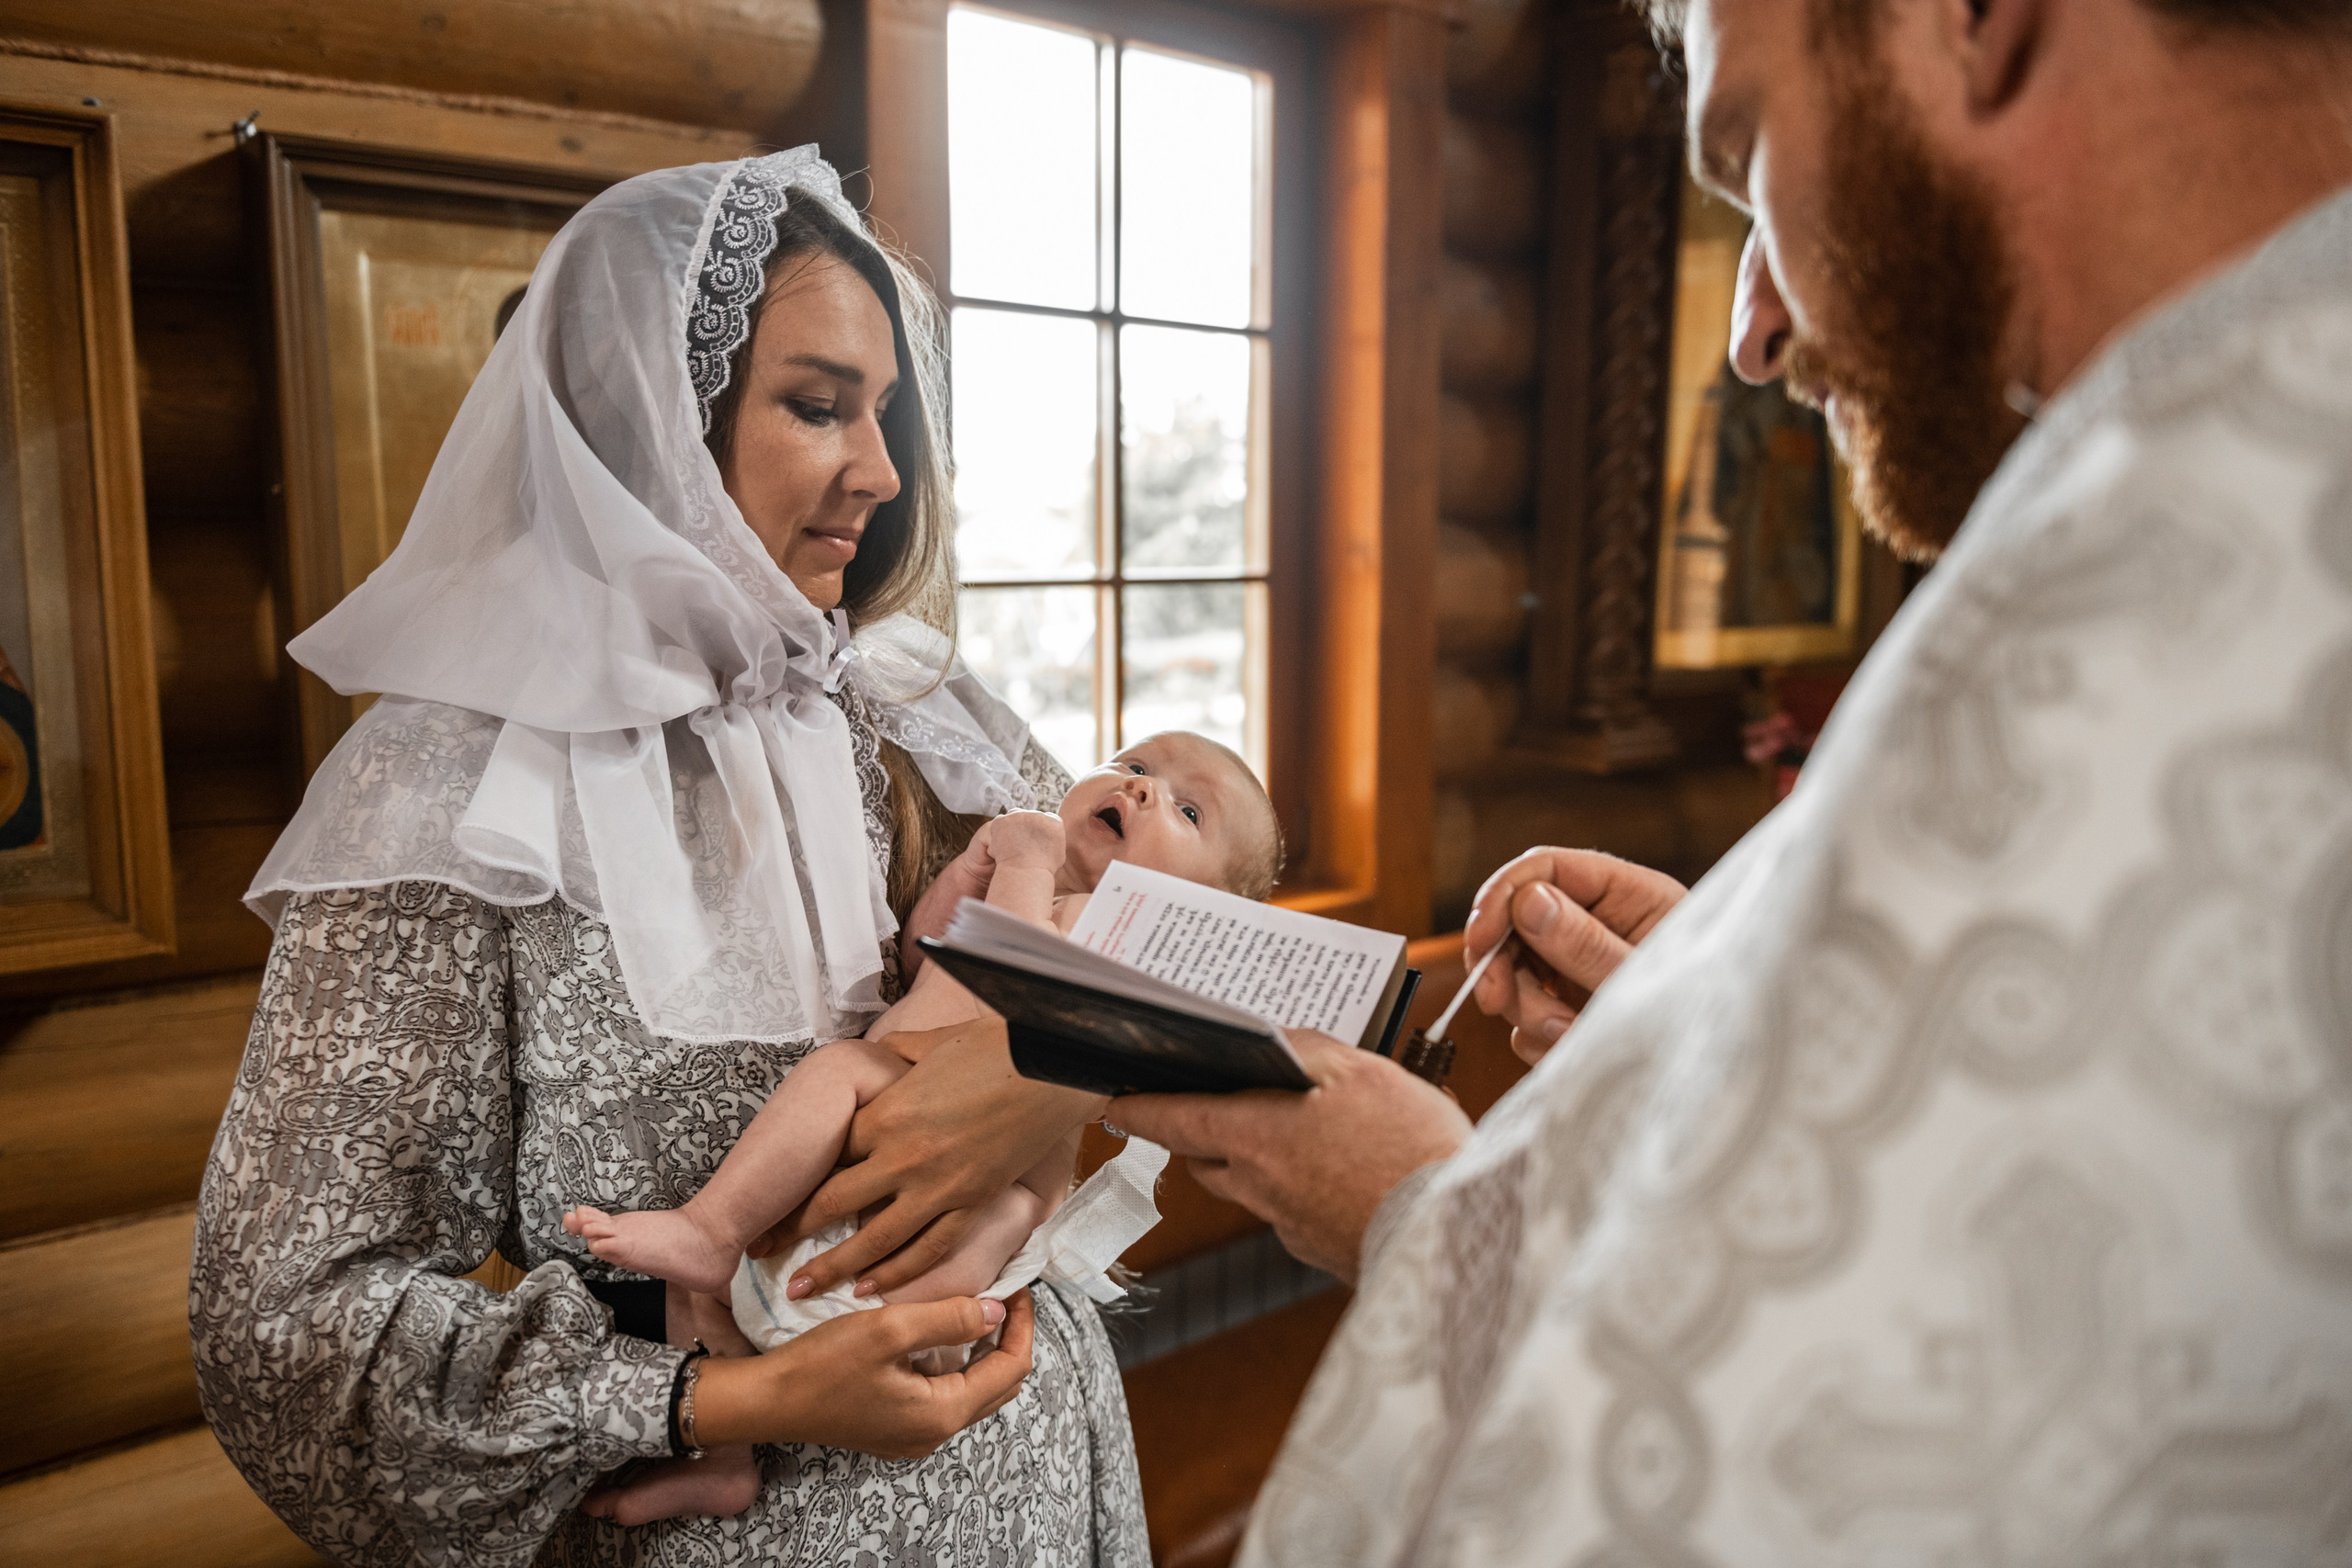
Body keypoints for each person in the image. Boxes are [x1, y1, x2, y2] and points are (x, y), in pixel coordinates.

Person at [1096, 0, 2352, 1561]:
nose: (1753, 324)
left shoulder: (2183, 591)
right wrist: (1705, 1009)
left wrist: (1437, 1214)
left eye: (1748, 155)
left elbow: (1822, 1476)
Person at [190, 147, 1148, 1565]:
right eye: (820, 406)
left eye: (886, 412)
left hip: (1041, 1486)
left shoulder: (916, 711)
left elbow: (1152, 969)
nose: (882, 472)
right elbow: (286, 1326)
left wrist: (1035, 1083)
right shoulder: (459, 782)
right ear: (653, 422)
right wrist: (726, 1393)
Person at [563, 730, 1280, 1522]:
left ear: (1205, 916)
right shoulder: (1038, 894)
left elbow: (1017, 982)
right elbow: (923, 953)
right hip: (906, 1145)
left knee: (835, 1075)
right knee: (712, 1310)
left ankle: (711, 1226)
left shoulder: (1118, 940)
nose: (1142, 788)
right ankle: (728, 1459)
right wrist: (976, 868)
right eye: (1135, 766)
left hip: (960, 1181)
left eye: (1187, 809)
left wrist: (1027, 861)